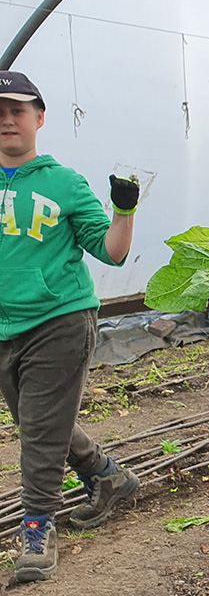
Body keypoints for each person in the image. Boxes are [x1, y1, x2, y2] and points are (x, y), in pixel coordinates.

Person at [0, 70, 141, 582]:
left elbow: (112, 251)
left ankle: (37, 530)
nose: (7, 120)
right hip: (3, 327)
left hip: (58, 320)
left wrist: (124, 210)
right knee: (39, 422)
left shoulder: (64, 183)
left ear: (39, 118)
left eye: (17, 110)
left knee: (39, 434)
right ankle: (106, 476)